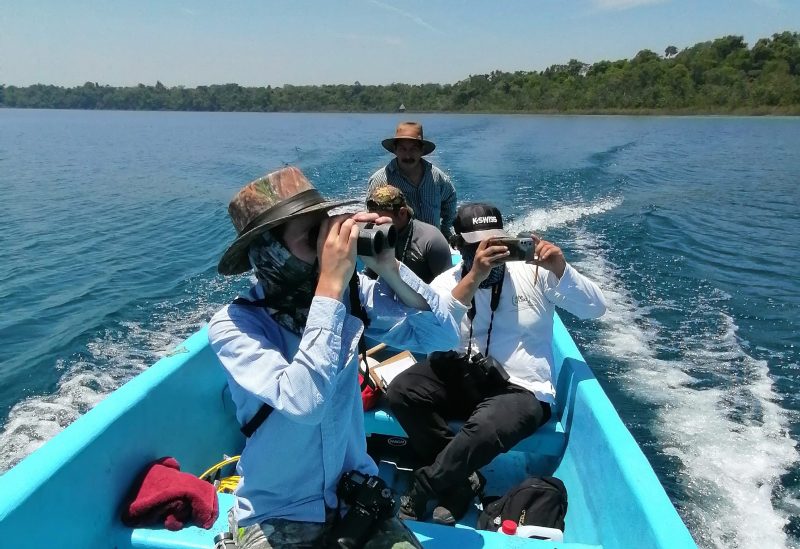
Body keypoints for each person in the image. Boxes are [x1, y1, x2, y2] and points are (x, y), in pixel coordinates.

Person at [208, 166, 461, 548]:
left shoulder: (351, 297)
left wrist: (389, 269)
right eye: (313, 237)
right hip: (279, 507)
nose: (330, 245)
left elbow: (442, 335)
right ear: (272, 252)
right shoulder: (237, 325)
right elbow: (305, 404)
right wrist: (329, 286)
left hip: (353, 497)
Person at [385, 203, 607, 526]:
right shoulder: (447, 284)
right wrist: (473, 279)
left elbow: (596, 308)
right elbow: (425, 337)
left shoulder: (535, 273)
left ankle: (426, 487)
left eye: (497, 243)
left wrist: (561, 269)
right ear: (459, 246)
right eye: (478, 246)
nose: (490, 254)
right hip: (465, 377)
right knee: (402, 392)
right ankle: (463, 482)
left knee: (484, 428)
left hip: (522, 389)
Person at [367, 122, 457, 239]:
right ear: (395, 150)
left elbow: (450, 202)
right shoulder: (380, 180)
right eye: (402, 149)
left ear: (421, 150)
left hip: (434, 246)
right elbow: (372, 217)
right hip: (397, 249)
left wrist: (445, 232)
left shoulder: (438, 178)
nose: (408, 155)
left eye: (413, 149)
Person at [364, 185, 452, 284]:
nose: (376, 224)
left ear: (402, 213)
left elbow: (447, 289)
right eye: (372, 219)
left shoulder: (431, 239)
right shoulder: (376, 235)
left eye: (381, 219)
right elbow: (370, 277)